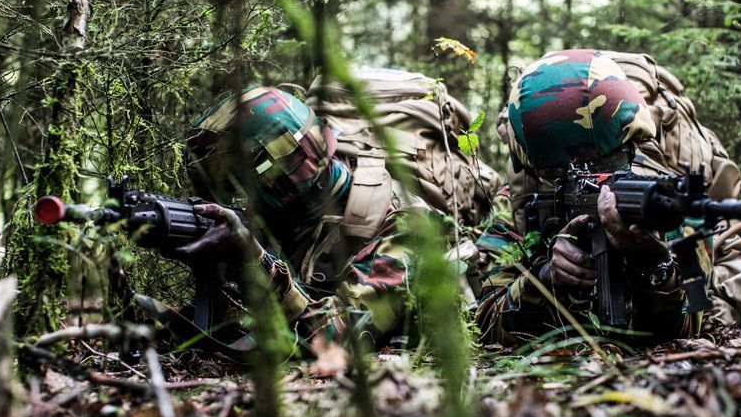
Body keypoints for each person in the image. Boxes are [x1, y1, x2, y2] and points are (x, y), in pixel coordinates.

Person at [475, 49, 709, 346]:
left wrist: (655, 266)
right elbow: (481, 323)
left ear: (629, 146)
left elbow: (697, 319)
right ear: (535, 169)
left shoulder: (664, 198)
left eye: (607, 164)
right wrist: (544, 279)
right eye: (560, 172)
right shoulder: (521, 202)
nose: (593, 181)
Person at [170, 85, 424, 351]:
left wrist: (255, 261)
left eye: (233, 187)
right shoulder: (288, 218)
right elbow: (234, 320)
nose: (225, 199)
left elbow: (334, 339)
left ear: (278, 181)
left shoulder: (405, 228)